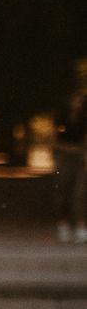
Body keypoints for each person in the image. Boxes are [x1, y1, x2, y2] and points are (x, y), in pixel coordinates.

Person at [55, 87, 87, 245]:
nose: (77, 104)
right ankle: (63, 224)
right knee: (63, 190)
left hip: (79, 158)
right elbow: (54, 140)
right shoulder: (62, 118)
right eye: (75, 100)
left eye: (80, 101)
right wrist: (67, 149)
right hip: (64, 157)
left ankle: (80, 226)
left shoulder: (83, 119)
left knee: (79, 192)